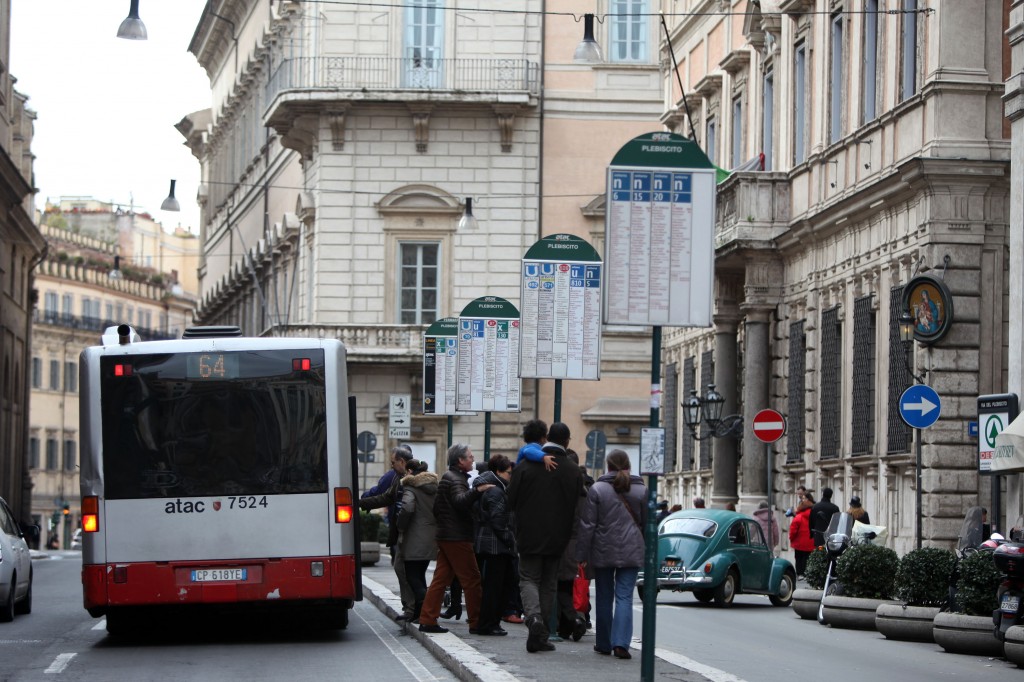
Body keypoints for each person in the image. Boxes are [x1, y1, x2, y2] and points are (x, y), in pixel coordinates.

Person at [508, 422, 584, 653]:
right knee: (549, 583)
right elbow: (578, 510)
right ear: (567, 442)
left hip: (528, 534)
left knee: (529, 578)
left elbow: (510, 500)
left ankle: (533, 620)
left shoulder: (525, 467)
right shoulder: (573, 471)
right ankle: (540, 636)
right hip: (558, 537)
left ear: (547, 438)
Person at [575, 450, 646, 661]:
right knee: (624, 596)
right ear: (628, 466)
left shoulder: (597, 489)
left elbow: (588, 525)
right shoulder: (641, 490)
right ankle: (621, 644)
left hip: (603, 549)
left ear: (608, 466)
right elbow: (647, 524)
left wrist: (581, 554)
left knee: (604, 596)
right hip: (632, 549)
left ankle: (604, 643)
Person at [418, 444, 491, 634]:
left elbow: (437, 509)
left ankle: (427, 619)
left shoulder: (448, 478)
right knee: (472, 579)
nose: (472, 459)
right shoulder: (457, 480)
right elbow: (460, 502)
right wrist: (478, 490)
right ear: (460, 461)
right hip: (457, 537)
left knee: (441, 579)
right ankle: (477, 622)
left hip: (446, 535)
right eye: (469, 457)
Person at [360, 446, 415, 619]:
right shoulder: (398, 480)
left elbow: (408, 508)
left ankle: (416, 610)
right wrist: (360, 503)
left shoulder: (414, 480)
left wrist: (402, 524)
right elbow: (384, 498)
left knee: (411, 572)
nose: (391, 466)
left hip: (412, 534)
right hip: (402, 533)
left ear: (402, 462)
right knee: (402, 568)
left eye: (393, 462)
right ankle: (411, 608)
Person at [471, 454, 516, 636]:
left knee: (493, 586)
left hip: (490, 544)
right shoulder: (496, 491)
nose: (510, 476)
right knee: (494, 587)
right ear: (498, 471)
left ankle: (489, 623)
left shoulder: (490, 487)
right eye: (508, 472)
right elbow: (499, 522)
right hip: (495, 546)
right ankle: (488, 624)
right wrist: (511, 541)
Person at [395, 459, 438, 622]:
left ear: (410, 472)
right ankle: (420, 614)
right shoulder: (434, 487)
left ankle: (428, 611)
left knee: (413, 576)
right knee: (420, 575)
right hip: (430, 537)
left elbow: (407, 508)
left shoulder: (410, 487)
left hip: (414, 538)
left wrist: (400, 525)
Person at [788, 494, 815, 576]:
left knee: (799, 559)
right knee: (808, 559)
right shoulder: (814, 516)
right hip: (811, 542)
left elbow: (793, 531)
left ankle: (800, 574)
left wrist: (791, 538)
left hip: (799, 543)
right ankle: (808, 573)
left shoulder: (798, 517)